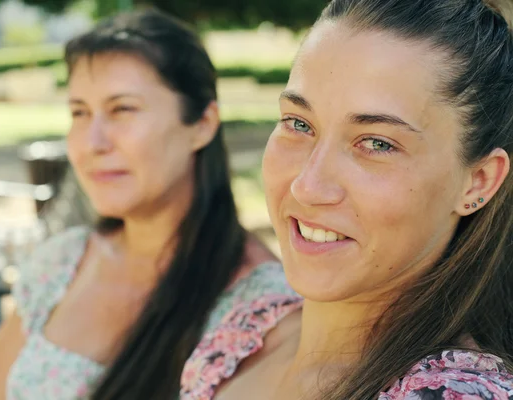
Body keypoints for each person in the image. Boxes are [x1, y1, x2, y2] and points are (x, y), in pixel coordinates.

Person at [180, 0, 513, 398]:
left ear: (477, 181)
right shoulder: (246, 329)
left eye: (376, 143)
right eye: (298, 123)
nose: (308, 186)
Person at [0, 8, 298, 400]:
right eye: (79, 113)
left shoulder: (262, 312)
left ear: (202, 124)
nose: (92, 142)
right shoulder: (63, 263)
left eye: (122, 109)